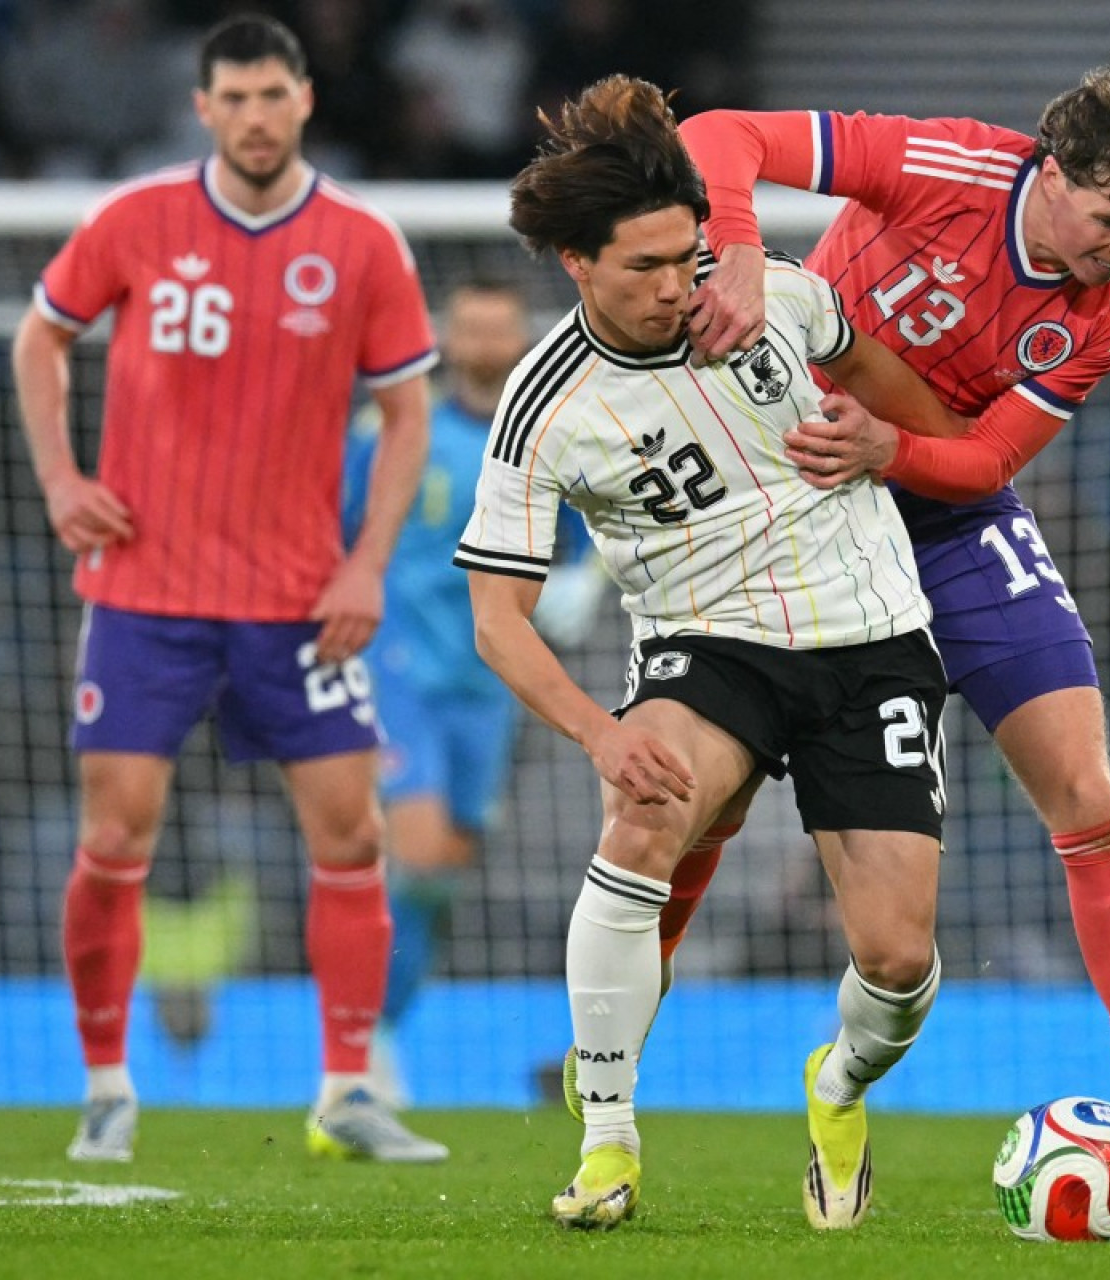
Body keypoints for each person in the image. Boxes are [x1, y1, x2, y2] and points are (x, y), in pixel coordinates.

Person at [661, 62, 1110, 1232]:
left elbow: (989, 460)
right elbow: (721, 134)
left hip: (944, 510)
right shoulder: (941, 164)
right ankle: (612, 1086)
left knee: (1088, 793)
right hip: (800, 506)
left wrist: (890, 448)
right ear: (1053, 173)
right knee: (709, 802)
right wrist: (737, 250)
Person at [458, 74, 962, 1231]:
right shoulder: (545, 404)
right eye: (643, 267)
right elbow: (497, 617)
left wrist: (887, 442)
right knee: (643, 815)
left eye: (688, 257)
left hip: (872, 633)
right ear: (577, 263)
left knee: (897, 959)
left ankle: (838, 1083)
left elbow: (910, 407)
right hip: (709, 645)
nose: (676, 287)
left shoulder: (773, 296)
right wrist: (602, 733)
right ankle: (606, 1140)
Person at [11, 14, 446, 1164]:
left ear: (304, 100)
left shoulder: (363, 243)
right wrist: (61, 479)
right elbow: (40, 337)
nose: (255, 117)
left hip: (299, 598)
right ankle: (106, 1085)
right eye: (235, 98)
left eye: (272, 95)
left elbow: (407, 414)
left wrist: (364, 563)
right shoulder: (135, 218)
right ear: (204, 108)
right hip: (144, 590)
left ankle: (346, 1091)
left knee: (352, 833)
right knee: (116, 831)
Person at [344, 278, 607, 1107]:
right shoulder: (396, 431)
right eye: (471, 329)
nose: (485, 344)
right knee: (417, 850)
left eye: (499, 330)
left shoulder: (546, 435)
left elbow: (587, 533)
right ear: (448, 340)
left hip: (490, 684)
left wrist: (582, 579)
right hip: (398, 667)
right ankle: (355, 1023)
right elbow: (338, 535)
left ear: (520, 339)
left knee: (435, 878)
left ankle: (380, 1030)